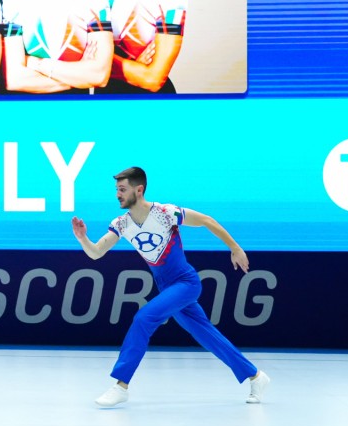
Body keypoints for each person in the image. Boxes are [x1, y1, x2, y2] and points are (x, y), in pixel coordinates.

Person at [70, 166, 269, 407]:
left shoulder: (166, 213)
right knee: (207, 336)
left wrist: (235, 248)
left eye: (122, 189)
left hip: (185, 283)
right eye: (116, 190)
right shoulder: (121, 224)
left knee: (144, 318)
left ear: (139, 190)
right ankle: (256, 376)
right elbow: (96, 252)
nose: (117, 195)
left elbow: (206, 220)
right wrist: (82, 238)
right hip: (168, 290)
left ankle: (121, 385)